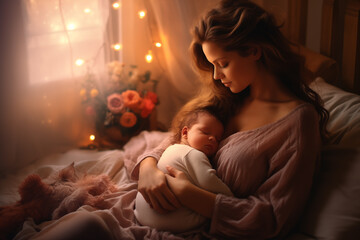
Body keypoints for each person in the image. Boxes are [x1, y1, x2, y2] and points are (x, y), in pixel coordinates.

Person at [135, 0, 329, 239]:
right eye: (213, 65)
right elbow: (181, 139)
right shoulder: (228, 98)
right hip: (156, 212)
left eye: (223, 64)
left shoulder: (298, 124)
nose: (217, 76)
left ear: (254, 51)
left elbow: (272, 218)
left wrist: (188, 193)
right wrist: (148, 168)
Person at [134, 107, 233, 233]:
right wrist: (230, 198)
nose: (212, 139)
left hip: (141, 215)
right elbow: (207, 180)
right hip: (172, 222)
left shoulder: (170, 149)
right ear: (185, 133)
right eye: (206, 132)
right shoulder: (192, 153)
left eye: (217, 138)